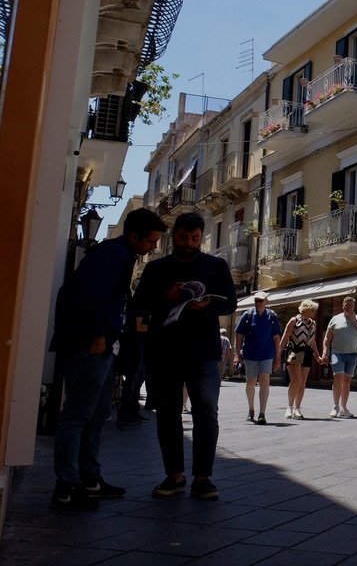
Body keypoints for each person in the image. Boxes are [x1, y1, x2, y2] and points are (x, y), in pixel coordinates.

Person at [50, 207, 166, 510]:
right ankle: (67, 485)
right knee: (77, 414)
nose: (153, 247)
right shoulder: (113, 255)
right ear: (133, 236)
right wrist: (99, 336)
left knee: (97, 415)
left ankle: (89, 477)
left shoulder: (119, 255)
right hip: (91, 346)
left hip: (103, 346)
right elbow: (90, 297)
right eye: (150, 241)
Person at [132, 212, 237, 501]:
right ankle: (174, 476)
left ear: (201, 237)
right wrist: (166, 296)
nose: (188, 243)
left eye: (194, 238)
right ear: (173, 236)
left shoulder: (215, 266)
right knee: (167, 414)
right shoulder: (156, 269)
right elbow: (137, 305)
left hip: (203, 352)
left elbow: (230, 303)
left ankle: (203, 478)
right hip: (164, 350)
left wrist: (206, 305)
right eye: (183, 237)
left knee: (206, 413)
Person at [234, 290, 281, 425]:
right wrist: (238, 354)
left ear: (266, 302)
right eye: (256, 301)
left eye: (261, 300)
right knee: (251, 382)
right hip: (250, 354)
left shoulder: (272, 316)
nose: (258, 303)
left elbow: (276, 338)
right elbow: (239, 336)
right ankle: (251, 409)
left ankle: (262, 413)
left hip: (266, 354)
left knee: (264, 379)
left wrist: (277, 357)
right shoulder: (247, 315)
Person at [323, 295, 357, 418]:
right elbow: (327, 337)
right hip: (337, 353)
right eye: (346, 305)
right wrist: (325, 351)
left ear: (354, 307)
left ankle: (343, 408)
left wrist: (354, 321)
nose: (348, 307)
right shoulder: (335, 319)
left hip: (352, 354)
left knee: (347, 380)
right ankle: (335, 406)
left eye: (351, 306)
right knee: (338, 377)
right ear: (343, 306)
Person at [279, 299, 322, 418]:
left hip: (307, 352)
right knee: (296, 380)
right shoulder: (294, 320)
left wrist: (317, 356)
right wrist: (278, 354)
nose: (314, 312)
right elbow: (285, 337)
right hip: (294, 350)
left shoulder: (313, 323)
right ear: (307, 309)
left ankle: (297, 408)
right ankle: (289, 407)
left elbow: (312, 341)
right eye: (313, 310)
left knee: (302, 382)